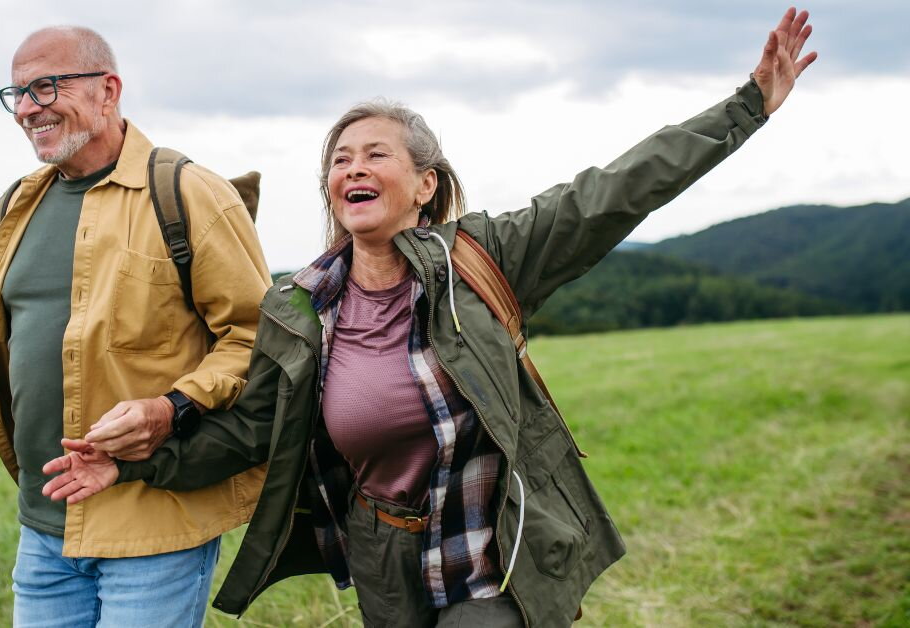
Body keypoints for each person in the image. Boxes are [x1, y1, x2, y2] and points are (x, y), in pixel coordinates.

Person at [42, 8, 817, 627]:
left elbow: (613, 192)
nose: (352, 168)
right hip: (387, 556)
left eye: (375, 154)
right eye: (339, 160)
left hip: (495, 541)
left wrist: (747, 108)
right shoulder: (302, 305)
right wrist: (137, 462)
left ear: (424, 185)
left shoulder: (482, 258)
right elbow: (252, 431)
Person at [0, 26, 272, 627]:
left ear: (109, 90)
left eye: (46, 86)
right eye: (17, 93)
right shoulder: (17, 204)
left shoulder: (187, 192)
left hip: (153, 526)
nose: (27, 108)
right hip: (43, 527)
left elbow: (256, 337)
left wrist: (171, 407)